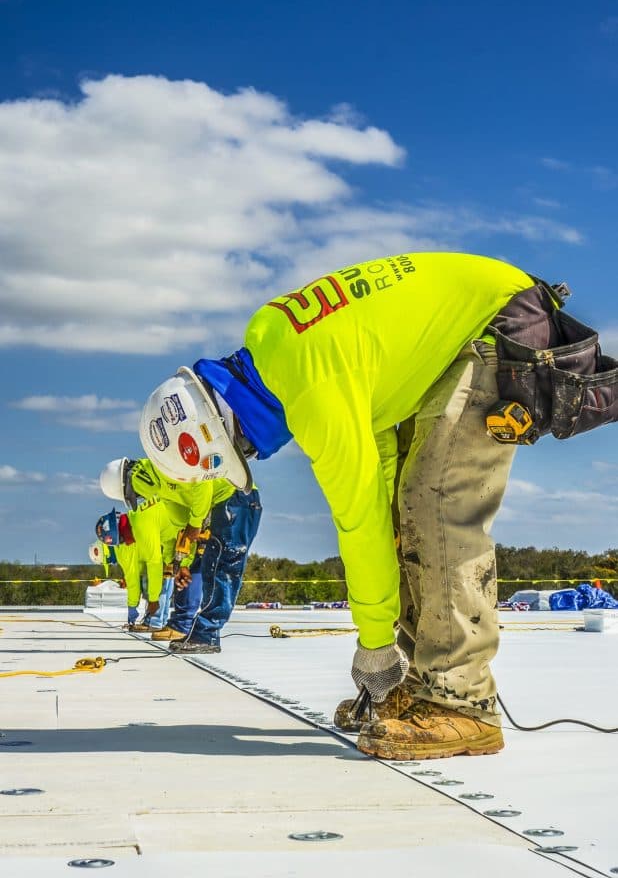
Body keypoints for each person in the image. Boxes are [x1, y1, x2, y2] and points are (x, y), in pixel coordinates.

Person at [137, 251, 617, 760]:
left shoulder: (310, 393)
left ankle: (462, 701)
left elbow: (358, 523)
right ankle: (422, 681)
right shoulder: (273, 343)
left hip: (496, 324)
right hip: (467, 328)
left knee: (437, 506)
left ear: (228, 430)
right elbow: (379, 443)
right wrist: (384, 639)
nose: (256, 453)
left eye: (244, 450)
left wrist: (373, 644)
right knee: (404, 512)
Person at [99, 457, 262, 651]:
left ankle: (206, 634)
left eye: (136, 493)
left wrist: (195, 524)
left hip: (236, 497)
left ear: (135, 479)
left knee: (223, 569)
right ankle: (204, 633)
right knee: (211, 568)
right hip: (224, 504)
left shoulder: (168, 464)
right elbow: (179, 525)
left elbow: (202, 483)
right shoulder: (162, 489)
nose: (141, 497)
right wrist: (181, 563)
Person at [95, 499, 178, 629]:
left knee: (154, 584)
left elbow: (152, 565)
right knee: (156, 583)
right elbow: (133, 577)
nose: (121, 542)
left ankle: (155, 622)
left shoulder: (141, 528)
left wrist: (151, 600)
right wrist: (132, 605)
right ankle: (157, 621)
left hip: (179, 535)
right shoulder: (133, 521)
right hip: (169, 545)